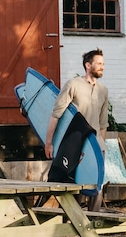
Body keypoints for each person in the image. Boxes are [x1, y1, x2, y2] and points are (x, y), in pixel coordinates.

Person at [46, 48, 109, 209]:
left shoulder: (103, 90)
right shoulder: (73, 85)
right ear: (88, 65)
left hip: (96, 146)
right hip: (76, 144)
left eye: (103, 63)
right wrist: (49, 143)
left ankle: (94, 222)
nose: (102, 66)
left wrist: (100, 145)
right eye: (99, 63)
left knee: (97, 185)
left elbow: (103, 123)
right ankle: (72, 221)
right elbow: (56, 114)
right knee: (75, 183)